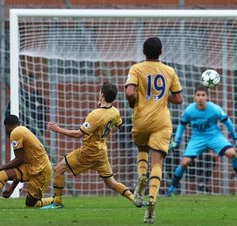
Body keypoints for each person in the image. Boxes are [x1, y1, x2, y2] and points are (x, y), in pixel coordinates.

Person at [42, 81, 137, 209]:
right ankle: (134, 199)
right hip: (102, 152)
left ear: (102, 95)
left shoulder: (95, 115)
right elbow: (119, 125)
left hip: (88, 152)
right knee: (111, 182)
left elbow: (78, 134)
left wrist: (57, 129)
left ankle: (57, 202)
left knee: (59, 169)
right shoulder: (115, 112)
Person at [125, 37, 183, 224]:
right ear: (160, 52)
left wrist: (133, 103)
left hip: (142, 119)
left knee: (143, 150)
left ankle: (142, 177)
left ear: (144, 51)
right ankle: (152, 199)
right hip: (161, 122)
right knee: (157, 163)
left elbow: (130, 93)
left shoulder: (136, 69)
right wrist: (164, 98)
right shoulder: (169, 71)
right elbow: (179, 99)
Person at [0, 114, 54, 209]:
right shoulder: (22, 130)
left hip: (41, 171)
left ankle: (54, 200)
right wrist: (11, 188)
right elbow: (21, 162)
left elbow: (19, 160)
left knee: (31, 204)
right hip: (30, 166)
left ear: (7, 126)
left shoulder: (16, 133)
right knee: (3, 174)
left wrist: (0, 167)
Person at [166, 86, 237, 196]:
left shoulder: (215, 109)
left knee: (232, 154)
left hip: (214, 137)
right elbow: (182, 125)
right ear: (194, 97)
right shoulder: (190, 110)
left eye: (203, 95)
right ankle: (171, 190)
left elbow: (228, 122)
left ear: (207, 97)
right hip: (197, 139)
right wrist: (177, 140)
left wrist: (235, 137)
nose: (200, 98)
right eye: (198, 95)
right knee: (185, 163)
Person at [5, 73, 46, 139]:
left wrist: (40, 132)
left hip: (35, 134)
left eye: (33, 84)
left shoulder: (39, 98)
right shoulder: (17, 97)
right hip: (20, 132)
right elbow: (8, 113)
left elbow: (43, 117)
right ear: (25, 84)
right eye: (30, 84)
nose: (32, 86)